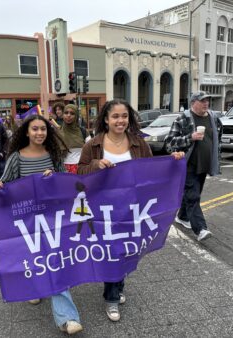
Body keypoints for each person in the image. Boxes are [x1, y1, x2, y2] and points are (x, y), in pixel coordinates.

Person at [77, 99, 184, 322]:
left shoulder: (138, 144)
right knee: (112, 252)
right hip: (104, 210)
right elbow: (80, 174)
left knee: (126, 250)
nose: (120, 120)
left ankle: (117, 286)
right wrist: (96, 165)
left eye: (124, 116)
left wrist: (173, 161)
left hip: (132, 209)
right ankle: (112, 298)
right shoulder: (93, 145)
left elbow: (152, 172)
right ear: (106, 119)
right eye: (115, 116)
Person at [0, 115, 82, 335]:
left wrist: (55, 178)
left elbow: (65, 183)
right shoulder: (16, 158)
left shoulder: (52, 156)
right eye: (35, 129)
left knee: (54, 261)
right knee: (35, 258)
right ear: (26, 132)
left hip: (53, 218)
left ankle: (68, 317)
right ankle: (35, 286)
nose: (40, 133)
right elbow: (7, 186)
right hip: (29, 221)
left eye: (43, 129)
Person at [167, 91, 222, 242]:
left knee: (192, 195)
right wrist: (189, 138)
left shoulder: (213, 117)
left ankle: (182, 216)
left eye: (207, 101)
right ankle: (201, 229)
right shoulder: (183, 118)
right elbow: (169, 142)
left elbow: (218, 136)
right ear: (193, 103)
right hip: (188, 165)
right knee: (193, 195)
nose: (206, 104)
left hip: (204, 165)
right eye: (202, 101)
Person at [60, 104, 87, 174]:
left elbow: (91, 151)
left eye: (72, 113)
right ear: (63, 115)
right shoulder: (57, 132)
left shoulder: (83, 132)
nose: (68, 115)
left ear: (76, 116)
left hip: (81, 168)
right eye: (66, 113)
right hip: (63, 169)